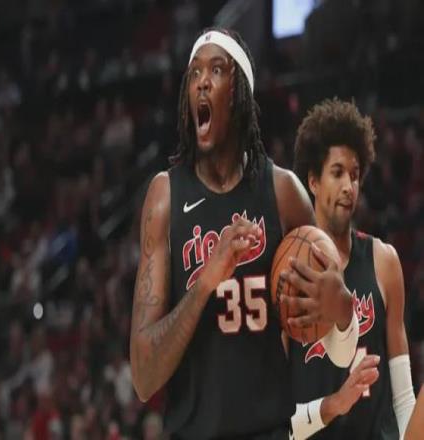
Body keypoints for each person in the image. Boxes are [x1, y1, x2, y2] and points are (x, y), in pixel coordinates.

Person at [129, 29, 359, 439]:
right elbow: (144, 378)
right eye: (194, 73)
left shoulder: (284, 193)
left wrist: (341, 307)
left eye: (217, 70)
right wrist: (205, 282)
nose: (201, 82)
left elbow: (335, 353)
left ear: (240, 96)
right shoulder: (165, 197)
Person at [288, 98, 416, 439]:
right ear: (313, 182)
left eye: (355, 175)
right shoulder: (287, 273)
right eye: (337, 173)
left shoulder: (384, 261)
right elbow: (279, 424)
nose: (349, 186)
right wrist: (334, 405)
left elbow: (403, 394)